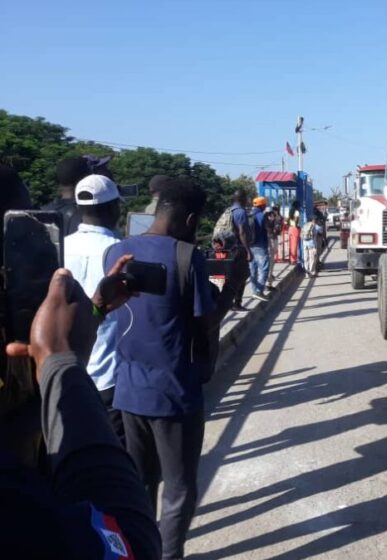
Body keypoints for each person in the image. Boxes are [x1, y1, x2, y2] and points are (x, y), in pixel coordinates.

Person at [0, 164, 161, 557]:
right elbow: (126, 542)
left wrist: (95, 311)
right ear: (115, 209)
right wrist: (59, 361)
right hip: (89, 388)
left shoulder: (66, 246)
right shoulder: (119, 247)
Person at [104, 177, 246, 560]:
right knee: (180, 488)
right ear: (189, 219)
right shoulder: (186, 256)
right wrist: (232, 287)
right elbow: (206, 321)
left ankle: (140, 551)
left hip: (128, 390)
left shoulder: (117, 251)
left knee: (140, 485)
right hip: (175, 395)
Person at [63, 174, 125, 442]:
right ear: (114, 208)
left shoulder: (60, 247)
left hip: (69, 373)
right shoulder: (121, 251)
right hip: (110, 375)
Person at [229, 189, 253, 311]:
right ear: (242, 199)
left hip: (227, 248)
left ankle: (227, 301)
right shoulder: (241, 212)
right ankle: (237, 303)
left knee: (230, 275)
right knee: (242, 275)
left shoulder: (229, 210)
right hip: (238, 248)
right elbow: (242, 232)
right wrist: (248, 250)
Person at [248, 196, 270, 301]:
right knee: (264, 268)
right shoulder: (261, 216)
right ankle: (259, 291)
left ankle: (254, 291)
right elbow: (264, 229)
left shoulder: (249, 214)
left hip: (250, 245)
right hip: (260, 245)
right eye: (265, 205)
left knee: (253, 270)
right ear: (262, 205)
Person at [303, 212, 323, 277]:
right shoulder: (315, 226)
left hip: (305, 244)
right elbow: (321, 231)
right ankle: (312, 272)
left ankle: (306, 272)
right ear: (314, 220)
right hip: (312, 245)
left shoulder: (305, 225)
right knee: (312, 258)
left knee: (306, 258)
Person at [288, 200, 301, 266]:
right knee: (294, 245)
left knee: (291, 245)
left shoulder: (290, 211)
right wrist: (297, 226)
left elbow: (288, 220)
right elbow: (296, 220)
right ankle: (294, 260)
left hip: (290, 228)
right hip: (294, 229)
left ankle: (291, 259)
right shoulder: (296, 212)